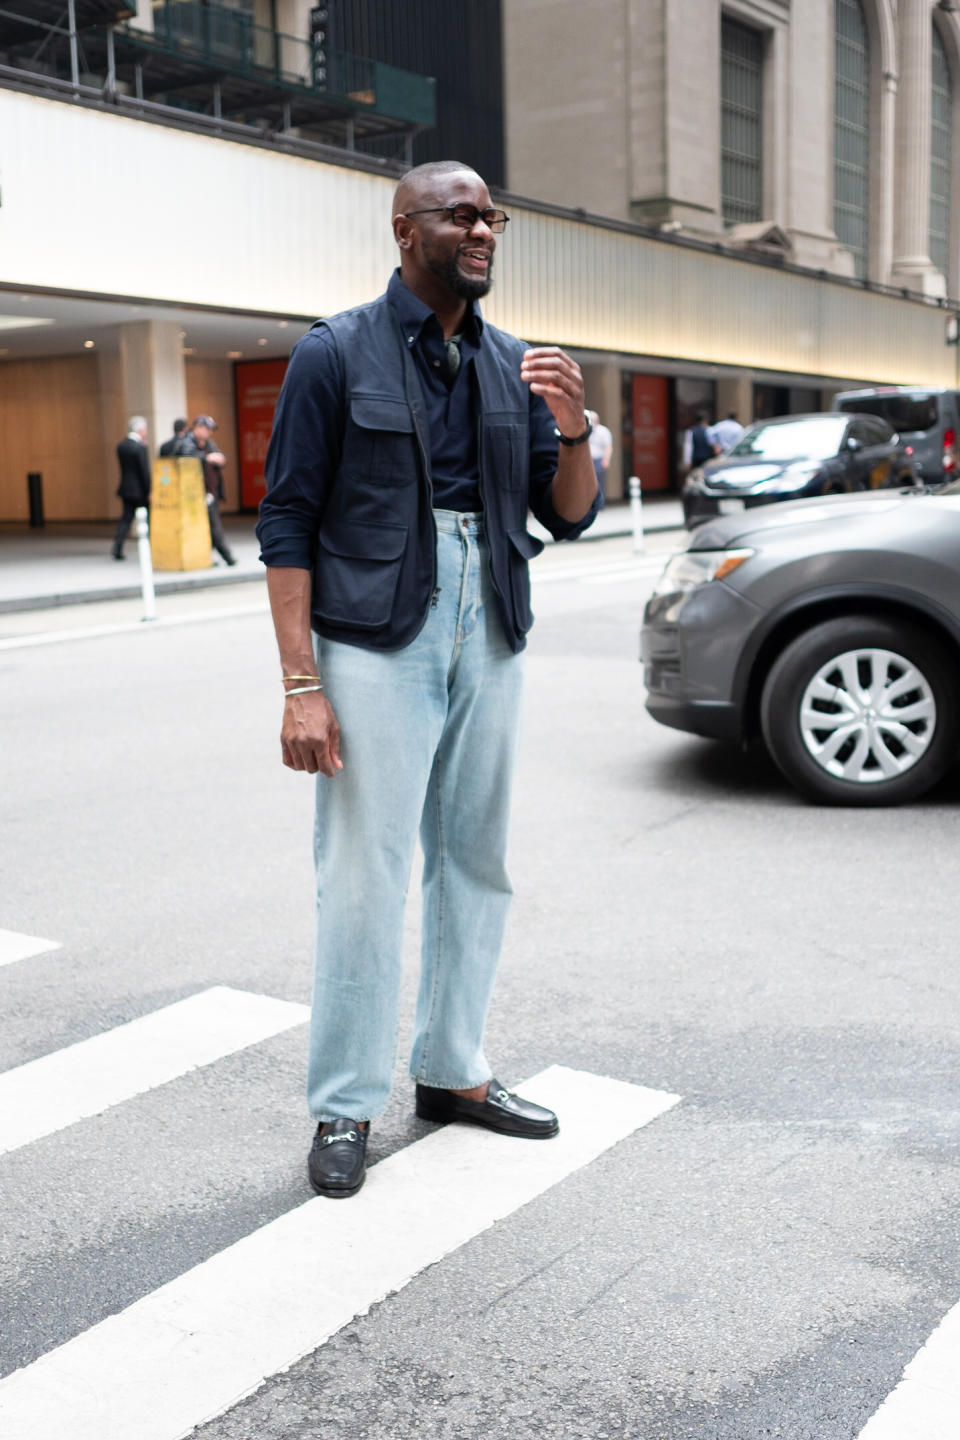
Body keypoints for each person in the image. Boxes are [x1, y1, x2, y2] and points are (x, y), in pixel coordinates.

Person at [257, 159, 601, 1200]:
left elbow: (569, 512)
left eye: (492, 216)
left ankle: (453, 1073)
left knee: (475, 862)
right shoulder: (336, 352)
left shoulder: (512, 365)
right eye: (462, 215)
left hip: (489, 621)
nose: (484, 230)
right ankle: (345, 1100)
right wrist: (298, 683)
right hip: (375, 629)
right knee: (364, 873)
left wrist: (578, 425)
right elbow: (286, 522)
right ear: (406, 230)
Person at [175, 415, 237, 566]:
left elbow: (219, 458)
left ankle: (205, 557)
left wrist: (220, 459)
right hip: (195, 493)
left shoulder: (209, 443)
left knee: (208, 526)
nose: (209, 433)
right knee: (212, 525)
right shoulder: (186, 442)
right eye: (207, 429)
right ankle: (228, 557)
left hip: (211, 491)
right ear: (197, 427)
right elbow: (186, 456)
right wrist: (208, 458)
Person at [112, 415, 151, 560]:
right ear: (140, 429)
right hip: (140, 490)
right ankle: (152, 547)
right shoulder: (140, 447)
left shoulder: (121, 445)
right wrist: (149, 490)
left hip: (126, 488)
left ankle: (117, 548)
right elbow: (144, 471)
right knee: (148, 519)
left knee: (126, 519)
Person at [586, 409, 612, 501]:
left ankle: (599, 502)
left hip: (598, 460)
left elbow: (608, 447)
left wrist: (606, 460)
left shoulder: (603, 431)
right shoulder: (585, 430)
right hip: (587, 460)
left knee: (598, 482)